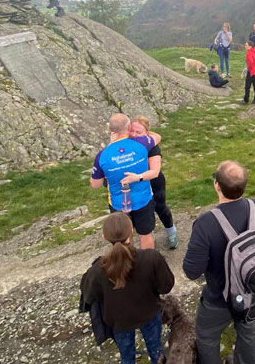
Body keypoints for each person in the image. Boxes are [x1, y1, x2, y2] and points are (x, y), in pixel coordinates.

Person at [183, 161, 255, 364]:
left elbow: (192, 272)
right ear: (244, 186)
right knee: (249, 331)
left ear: (217, 186)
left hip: (217, 299)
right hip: (252, 292)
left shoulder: (205, 223)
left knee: (207, 336)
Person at [82, 212, 175, 364]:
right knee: (156, 351)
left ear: (104, 237)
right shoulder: (152, 257)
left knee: (126, 357)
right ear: (132, 231)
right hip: (149, 314)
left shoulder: (96, 270)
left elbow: (89, 297)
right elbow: (166, 287)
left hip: (119, 322)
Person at [92, 114, 161, 249]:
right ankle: (147, 264)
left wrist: (110, 145)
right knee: (145, 234)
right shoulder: (141, 143)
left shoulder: (102, 155)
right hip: (143, 199)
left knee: (124, 237)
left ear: (110, 130)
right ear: (129, 127)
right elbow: (157, 137)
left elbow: (95, 184)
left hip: (118, 202)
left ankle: (129, 264)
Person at [129, 117, 178, 249]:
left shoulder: (151, 146)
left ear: (147, 133)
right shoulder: (127, 145)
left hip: (154, 183)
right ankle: (149, 235)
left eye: (138, 132)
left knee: (160, 207)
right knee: (142, 211)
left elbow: (155, 170)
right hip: (136, 185)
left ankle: (171, 232)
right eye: (131, 131)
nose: (134, 135)